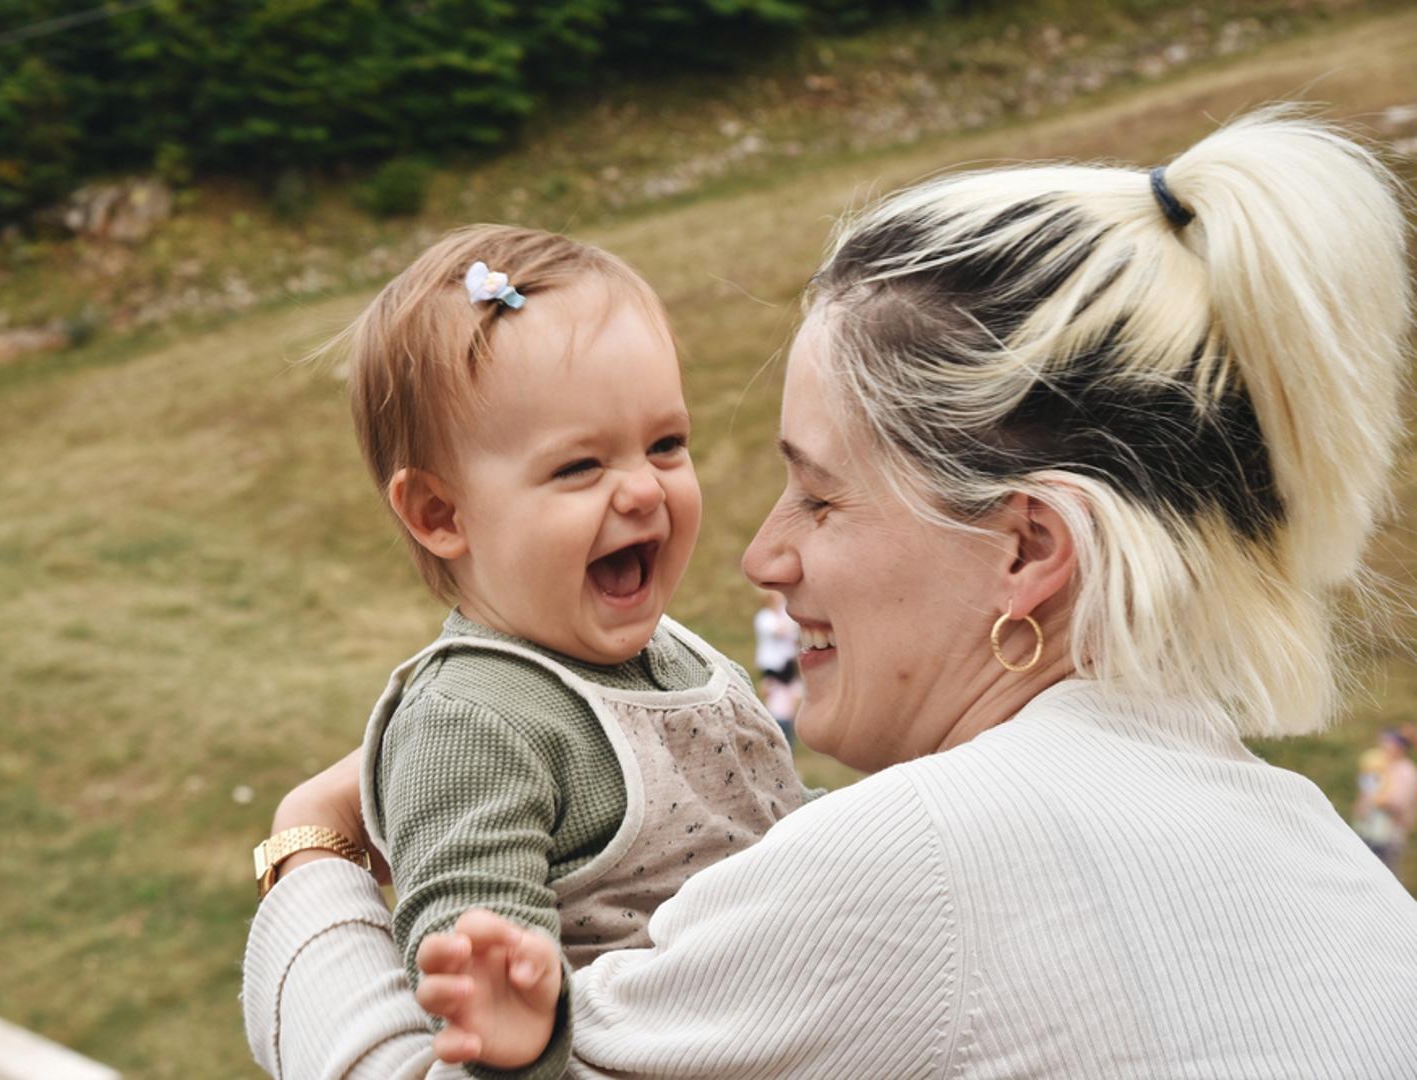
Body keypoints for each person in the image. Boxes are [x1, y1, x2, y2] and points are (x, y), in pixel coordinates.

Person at [244, 108, 1417, 1078]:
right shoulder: (1325, 856)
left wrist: (310, 853)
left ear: (1028, 550)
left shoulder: (933, 853)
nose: (760, 557)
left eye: (819, 498)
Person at [251, 225, 806, 1072]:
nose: (644, 488)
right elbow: (477, 964)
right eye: (580, 466)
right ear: (441, 515)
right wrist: (515, 1039)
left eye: (666, 444)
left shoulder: (672, 651)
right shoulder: (470, 721)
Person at [1356, 727, 1417, 874]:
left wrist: (1376, 801)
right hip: (1369, 827)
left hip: (1389, 834)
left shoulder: (1406, 770)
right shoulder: (1379, 765)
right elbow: (1366, 792)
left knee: (1386, 874)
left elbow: (1398, 802)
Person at [752, 590, 802, 741]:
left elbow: (795, 638)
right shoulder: (765, 617)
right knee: (774, 695)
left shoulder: (783, 616)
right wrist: (790, 622)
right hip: (772, 664)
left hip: (787, 662)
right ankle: (774, 731)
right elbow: (779, 632)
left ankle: (787, 733)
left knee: (790, 696)